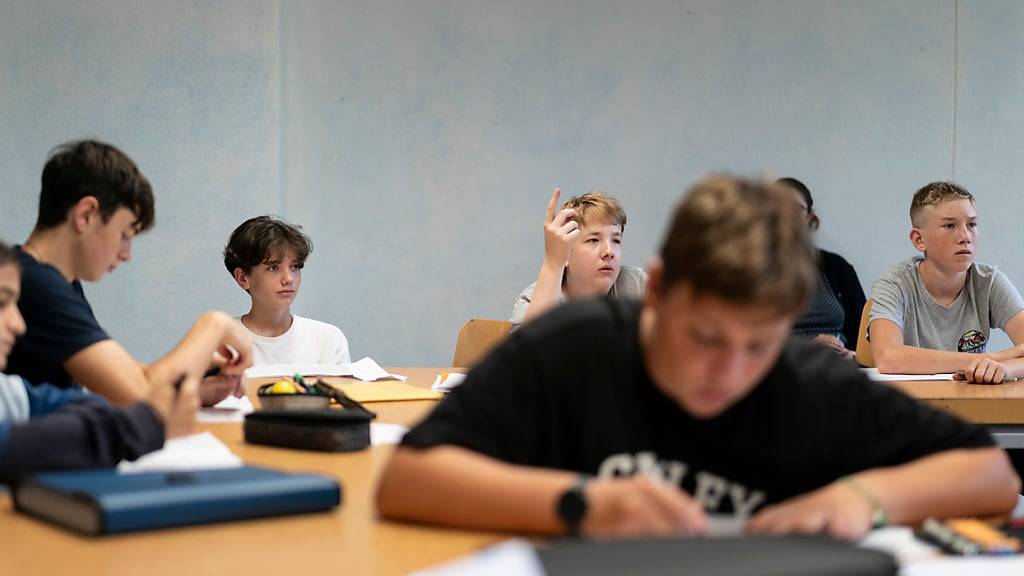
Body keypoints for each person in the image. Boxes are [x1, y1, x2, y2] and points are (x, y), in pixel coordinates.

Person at [377, 175, 1019, 540]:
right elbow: (408, 479)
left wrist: (864, 499)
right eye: (706, 338)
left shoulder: (807, 377)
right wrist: (581, 503)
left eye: (759, 345)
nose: (730, 371)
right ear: (656, 290)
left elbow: (990, 474)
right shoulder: (574, 345)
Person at [7, 140, 251, 406]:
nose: (126, 254)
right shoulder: (36, 284)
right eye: (124, 235)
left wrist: (198, 388)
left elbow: (124, 378)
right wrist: (215, 324)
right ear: (86, 215)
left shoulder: (56, 280)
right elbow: (141, 395)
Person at [0, 240, 248, 481]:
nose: (19, 325)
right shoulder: (41, 284)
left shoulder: (6, 388)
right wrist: (213, 325)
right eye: (2, 303)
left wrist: (186, 393)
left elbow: (93, 404)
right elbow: (136, 394)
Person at [869, 181, 1024, 383]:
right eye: (950, 226)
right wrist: (989, 358)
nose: (965, 237)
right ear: (918, 240)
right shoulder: (894, 283)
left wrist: (1004, 368)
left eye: (972, 224)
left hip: (970, 402)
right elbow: (889, 358)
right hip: (908, 405)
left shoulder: (989, 281)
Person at [223, 215, 349, 365]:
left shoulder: (328, 340)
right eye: (273, 268)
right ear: (243, 278)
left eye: (295, 267)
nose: (289, 278)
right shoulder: (220, 341)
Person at [511, 189, 646, 327]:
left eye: (616, 240)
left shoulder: (637, 285)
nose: (609, 251)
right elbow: (530, 347)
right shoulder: (532, 300)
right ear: (566, 252)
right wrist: (553, 263)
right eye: (593, 240)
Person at [776, 177, 866, 359]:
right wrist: (806, 347)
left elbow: (864, 333)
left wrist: (855, 355)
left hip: (837, 366)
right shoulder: (751, 271)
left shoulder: (835, 267)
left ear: (809, 216)